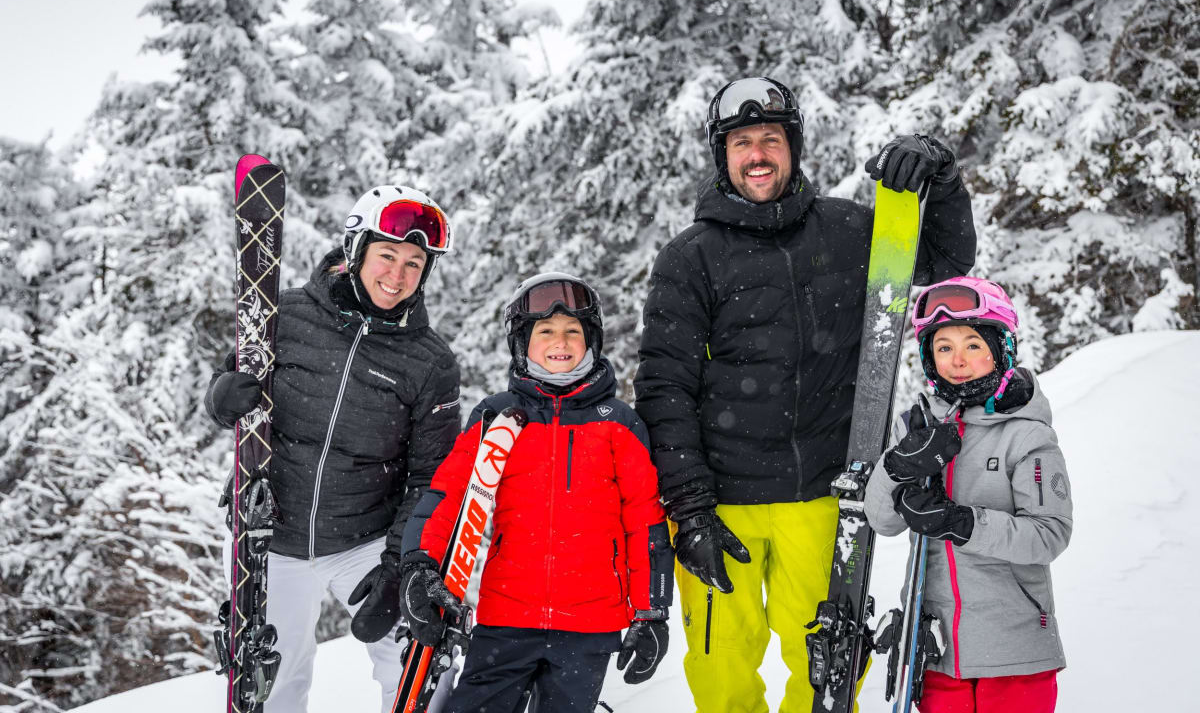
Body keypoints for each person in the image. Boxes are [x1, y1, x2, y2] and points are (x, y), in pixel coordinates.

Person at [633, 76, 977, 712]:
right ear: (723, 155)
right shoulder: (690, 259)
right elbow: (664, 388)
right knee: (721, 667)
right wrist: (688, 508)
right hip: (721, 504)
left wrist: (944, 177)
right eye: (741, 142)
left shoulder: (849, 233)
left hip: (822, 498)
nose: (757, 154)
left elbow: (945, 262)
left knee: (823, 668)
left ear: (793, 148)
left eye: (770, 138)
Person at [204, 186, 461, 712]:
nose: (398, 275)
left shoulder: (430, 362)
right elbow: (235, 387)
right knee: (275, 678)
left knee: (417, 660)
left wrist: (399, 568)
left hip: (365, 540)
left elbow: (430, 477)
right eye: (387, 255)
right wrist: (220, 396)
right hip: (274, 536)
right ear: (356, 250)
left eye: (415, 263)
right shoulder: (286, 316)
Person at [399, 273, 674, 713]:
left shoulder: (619, 424)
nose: (559, 341)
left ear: (592, 341)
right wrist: (419, 563)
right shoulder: (496, 417)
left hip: (591, 624)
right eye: (545, 331)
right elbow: (446, 496)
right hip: (506, 618)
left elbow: (645, 522)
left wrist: (652, 610)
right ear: (522, 343)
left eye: (572, 331)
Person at [864, 277, 1071, 712]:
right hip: (937, 655)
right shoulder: (918, 427)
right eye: (943, 347)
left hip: (1015, 655)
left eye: (973, 345)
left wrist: (960, 523)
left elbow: (1048, 536)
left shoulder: (1027, 436)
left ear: (1000, 349)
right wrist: (898, 465)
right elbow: (882, 520)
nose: (957, 360)